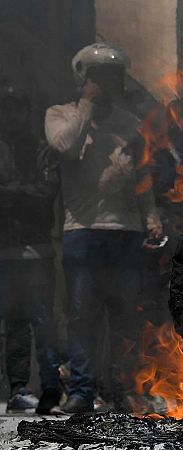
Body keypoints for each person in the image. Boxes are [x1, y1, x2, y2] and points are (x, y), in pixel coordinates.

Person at [45, 43, 162, 413]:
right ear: (83, 78)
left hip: (125, 231)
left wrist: (152, 216)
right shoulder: (60, 114)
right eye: (97, 76)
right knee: (83, 316)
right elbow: (66, 146)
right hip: (82, 229)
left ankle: (122, 390)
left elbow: (142, 177)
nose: (105, 82)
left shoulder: (129, 124)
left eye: (110, 75)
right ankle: (81, 391)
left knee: (125, 316)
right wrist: (87, 104)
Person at [0, 86, 63, 414]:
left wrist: (12, 193)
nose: (12, 116)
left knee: (44, 321)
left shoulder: (43, 151)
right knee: (15, 324)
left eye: (17, 109)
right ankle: (19, 390)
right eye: (6, 109)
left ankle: (51, 389)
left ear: (26, 113)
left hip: (38, 251)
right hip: (7, 252)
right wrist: (24, 193)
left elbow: (46, 193)